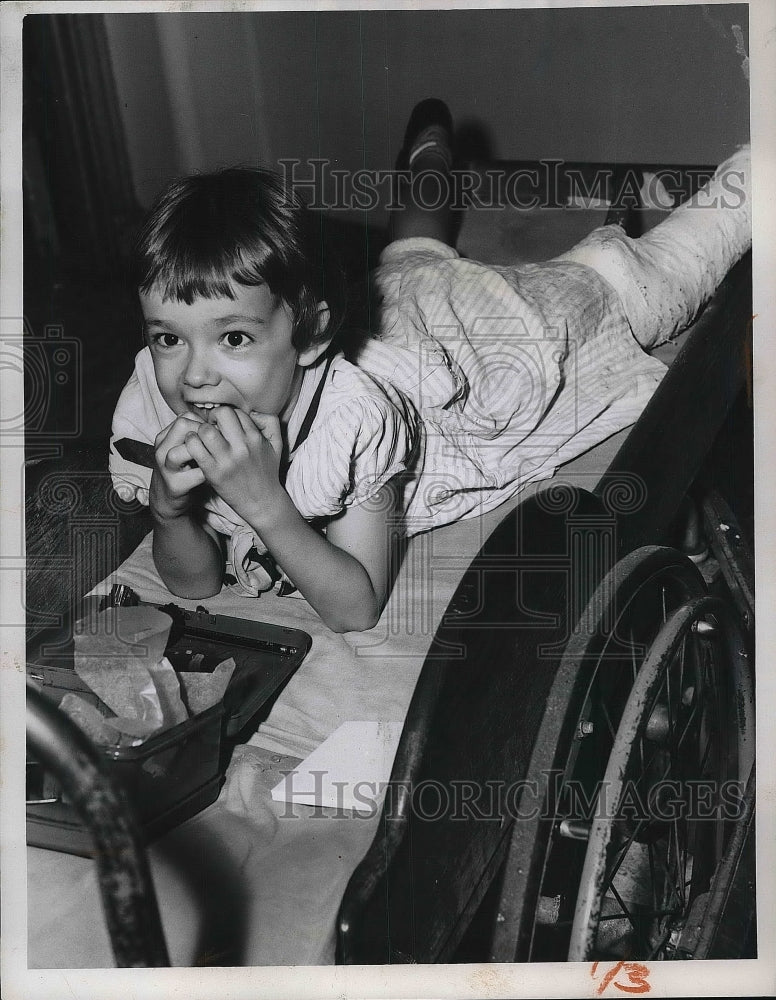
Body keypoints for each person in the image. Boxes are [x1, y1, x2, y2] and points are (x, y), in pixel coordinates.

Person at [110, 100, 752, 632]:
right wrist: (169, 513)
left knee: (644, 285)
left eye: (234, 339)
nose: (193, 375)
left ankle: (755, 174)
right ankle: (429, 159)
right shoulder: (152, 400)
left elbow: (356, 606)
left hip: (475, 346)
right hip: (396, 309)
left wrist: (268, 508)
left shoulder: (357, 415)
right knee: (407, 259)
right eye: (168, 339)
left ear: (308, 337)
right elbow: (192, 583)